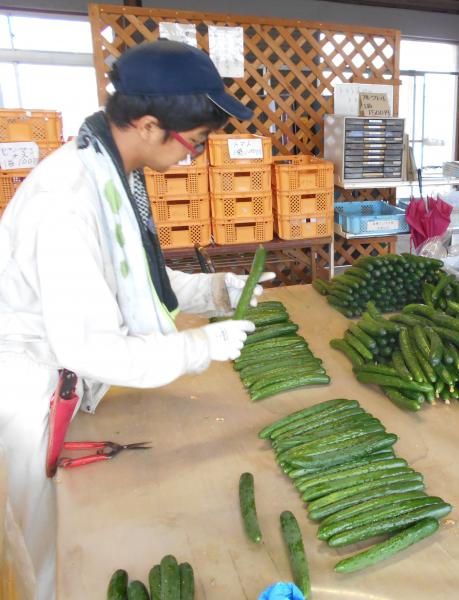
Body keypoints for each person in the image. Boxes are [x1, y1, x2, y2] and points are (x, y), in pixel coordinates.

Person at [0, 40, 273, 598]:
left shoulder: (108, 169)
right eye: (193, 144)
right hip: (34, 392)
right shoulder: (67, 201)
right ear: (149, 125)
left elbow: (135, 279)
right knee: (53, 553)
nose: (194, 156)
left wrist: (217, 290)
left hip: (67, 377)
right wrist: (202, 347)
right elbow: (92, 347)